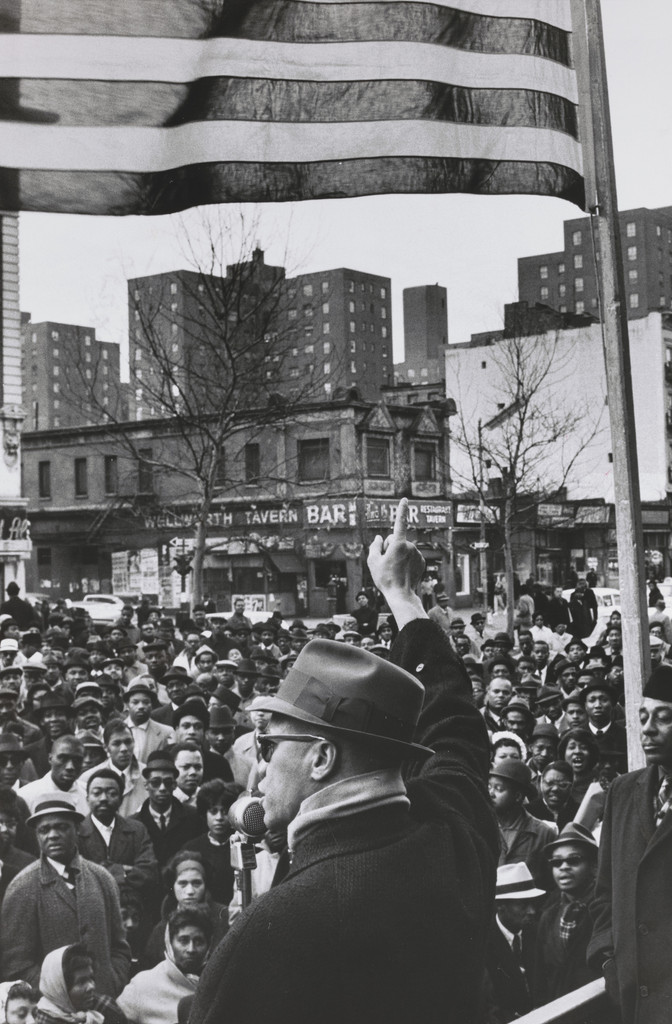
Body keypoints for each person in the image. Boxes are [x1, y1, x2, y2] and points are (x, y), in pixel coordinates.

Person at [189, 498, 498, 1024]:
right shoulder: (451, 827)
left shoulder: (274, 929)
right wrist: (403, 598)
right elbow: (455, 728)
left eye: (270, 746)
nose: (259, 769)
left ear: (322, 757)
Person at [588, 663, 672, 1022]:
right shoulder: (622, 792)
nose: (648, 729)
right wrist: (610, 959)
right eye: (643, 716)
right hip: (635, 1001)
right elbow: (604, 891)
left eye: (663, 717)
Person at [0, 798, 131, 995]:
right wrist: (58, 995)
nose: (52, 835)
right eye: (44, 830)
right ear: (36, 835)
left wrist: (112, 980)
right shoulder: (23, 887)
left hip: (103, 1003)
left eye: (61, 827)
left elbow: (120, 948)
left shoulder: (102, 878)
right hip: (51, 1009)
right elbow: (17, 964)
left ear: (77, 829)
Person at [534, 822, 600, 1005]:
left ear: (594, 866)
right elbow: (540, 979)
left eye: (573, 860)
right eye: (556, 862)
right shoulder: (547, 916)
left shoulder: (606, 910)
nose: (563, 867)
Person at [117, 908, 212, 1024]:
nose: (191, 949)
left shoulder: (217, 983)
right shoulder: (143, 985)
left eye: (198, 941)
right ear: (169, 943)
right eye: (183, 940)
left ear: (209, 946)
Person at [77, 769, 158, 896]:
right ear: (87, 798)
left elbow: (148, 874)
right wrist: (124, 871)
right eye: (97, 793)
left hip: (130, 905)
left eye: (112, 793)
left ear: (121, 799)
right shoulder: (76, 832)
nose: (103, 798)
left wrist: (108, 870)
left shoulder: (137, 830)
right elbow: (77, 876)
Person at [483, 863, 546, 1023]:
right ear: (500, 906)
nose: (532, 911)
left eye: (533, 903)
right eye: (523, 904)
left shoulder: (539, 932)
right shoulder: (483, 944)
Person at [143, 851, 227, 967]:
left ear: (205, 885)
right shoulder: (161, 929)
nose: (190, 891)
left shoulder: (223, 918)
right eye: (182, 883)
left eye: (196, 883)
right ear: (173, 886)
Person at [34, 945, 126, 1024]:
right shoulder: (44, 1019)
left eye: (91, 978)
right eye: (81, 982)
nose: (91, 986)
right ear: (60, 989)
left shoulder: (105, 1008)